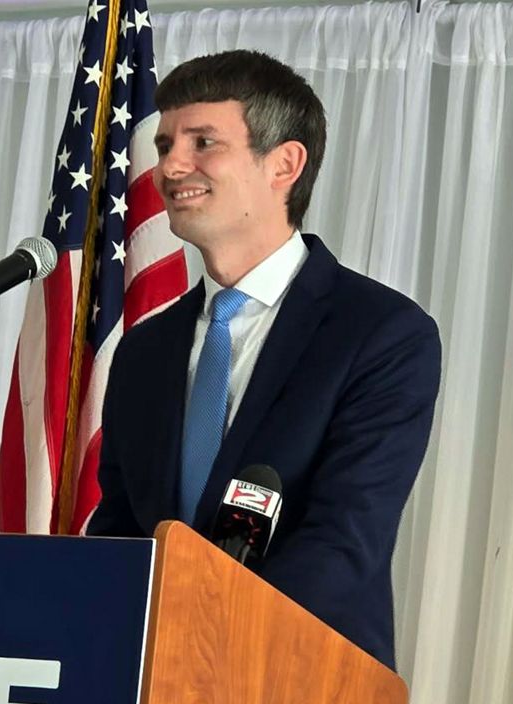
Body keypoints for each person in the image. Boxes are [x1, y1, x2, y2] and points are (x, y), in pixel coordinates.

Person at [85, 50, 442, 672]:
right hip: (146, 680)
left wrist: (197, 645)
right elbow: (118, 532)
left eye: (202, 143)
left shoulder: (381, 334)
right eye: (166, 144)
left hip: (296, 677)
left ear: (284, 164)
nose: (170, 166)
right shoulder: (143, 351)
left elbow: (342, 542)